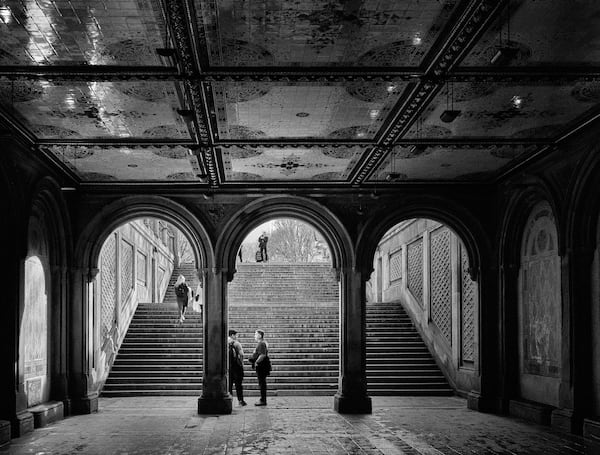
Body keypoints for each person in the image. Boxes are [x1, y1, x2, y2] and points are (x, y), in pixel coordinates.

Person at [249, 329, 270, 406]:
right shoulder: (262, 343)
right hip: (262, 365)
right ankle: (262, 399)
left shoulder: (261, 344)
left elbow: (262, 355)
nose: (254, 336)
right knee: (262, 382)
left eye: (256, 334)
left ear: (260, 335)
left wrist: (256, 362)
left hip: (261, 365)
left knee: (262, 383)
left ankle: (263, 400)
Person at [228, 329, 246, 406]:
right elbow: (241, 354)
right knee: (238, 384)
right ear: (232, 335)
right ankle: (240, 400)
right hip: (237, 367)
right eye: (236, 335)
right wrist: (241, 363)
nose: (237, 336)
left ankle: (229, 400)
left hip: (228, 367)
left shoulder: (225, 343)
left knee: (229, 385)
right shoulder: (236, 343)